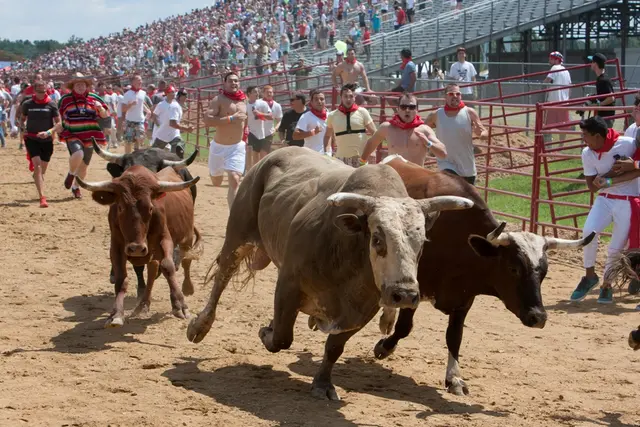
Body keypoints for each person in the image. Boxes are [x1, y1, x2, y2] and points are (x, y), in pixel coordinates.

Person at [568, 116, 638, 304]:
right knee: (588, 232)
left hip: (628, 200)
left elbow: (638, 167)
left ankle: (607, 284)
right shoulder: (587, 153)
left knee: (616, 246)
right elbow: (592, 186)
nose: (583, 140)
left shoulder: (628, 144)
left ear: (598, 136)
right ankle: (589, 275)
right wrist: (609, 176)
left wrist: (613, 177)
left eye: (585, 135)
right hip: (604, 199)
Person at [56, 72, 110, 199]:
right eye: (77, 84)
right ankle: (70, 173)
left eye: (83, 85)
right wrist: (57, 127)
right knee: (78, 154)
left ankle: (76, 187)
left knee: (84, 166)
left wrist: (100, 109)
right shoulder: (65, 99)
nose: (80, 87)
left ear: (87, 86)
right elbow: (59, 115)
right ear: (73, 86)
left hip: (90, 135)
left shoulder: (95, 98)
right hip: (72, 133)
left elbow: (105, 115)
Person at [360, 92, 447, 166]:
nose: (407, 110)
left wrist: (428, 143)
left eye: (411, 107)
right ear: (398, 109)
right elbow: (371, 143)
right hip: (395, 178)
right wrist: (362, 163)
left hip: (417, 178)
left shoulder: (424, 130)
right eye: (403, 107)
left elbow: (443, 153)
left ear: (417, 110)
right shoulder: (387, 127)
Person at [425, 83, 488, 185]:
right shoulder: (436, 114)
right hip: (446, 163)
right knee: (452, 191)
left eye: (457, 94)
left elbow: (483, 131)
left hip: (467, 166)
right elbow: (423, 128)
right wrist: (431, 144)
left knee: (468, 200)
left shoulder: (469, 112)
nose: (455, 96)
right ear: (445, 97)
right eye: (451, 94)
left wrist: (482, 134)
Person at [204, 72, 248, 208]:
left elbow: (244, 119)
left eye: (236, 81)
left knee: (235, 179)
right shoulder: (218, 100)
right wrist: (231, 118)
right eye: (230, 81)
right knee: (216, 181)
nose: (234, 83)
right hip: (219, 147)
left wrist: (245, 130)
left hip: (237, 147)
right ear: (224, 83)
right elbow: (208, 120)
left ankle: (233, 217)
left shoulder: (243, 100)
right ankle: (214, 173)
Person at [18, 80, 61, 208]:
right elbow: (22, 118)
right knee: (37, 166)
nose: (42, 93)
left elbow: (59, 124)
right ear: (34, 91)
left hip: (47, 140)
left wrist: (49, 132)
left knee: (42, 170)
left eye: (44, 90)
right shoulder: (27, 104)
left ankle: (37, 177)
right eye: (39, 90)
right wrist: (22, 126)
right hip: (32, 138)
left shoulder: (51, 104)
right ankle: (42, 197)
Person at [324, 83, 377, 167]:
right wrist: (327, 152)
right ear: (341, 97)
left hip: (361, 159)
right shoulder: (332, 115)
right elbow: (327, 135)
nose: (348, 99)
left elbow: (375, 133)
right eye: (345, 96)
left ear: (354, 97)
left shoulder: (362, 112)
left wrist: (372, 152)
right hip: (340, 160)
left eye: (351, 96)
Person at [151, 86, 194, 158]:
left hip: (173, 134)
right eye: (172, 92)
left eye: (174, 92)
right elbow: (171, 123)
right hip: (163, 133)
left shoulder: (175, 105)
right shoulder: (162, 105)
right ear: (167, 93)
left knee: (179, 145)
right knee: (153, 155)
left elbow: (174, 121)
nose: (174, 94)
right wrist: (157, 124)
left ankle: (174, 163)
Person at [578, 53, 616, 128]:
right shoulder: (601, 78)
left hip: (606, 116)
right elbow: (605, 95)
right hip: (603, 115)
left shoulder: (603, 80)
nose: (590, 64)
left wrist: (598, 105)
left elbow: (611, 98)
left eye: (591, 62)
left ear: (595, 63)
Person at [543, 51, 573, 144]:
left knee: (548, 124)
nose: (549, 60)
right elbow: (570, 86)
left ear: (557, 60)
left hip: (553, 101)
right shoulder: (566, 71)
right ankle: (561, 145)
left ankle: (549, 144)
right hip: (564, 102)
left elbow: (547, 80)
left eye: (551, 58)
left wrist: (543, 84)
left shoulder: (554, 68)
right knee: (563, 125)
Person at [293, 89, 329, 154]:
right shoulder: (306, 116)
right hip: (311, 155)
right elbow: (295, 136)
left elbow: (331, 134)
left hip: (327, 154)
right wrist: (312, 132)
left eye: (322, 99)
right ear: (311, 102)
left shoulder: (329, 115)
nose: (319, 101)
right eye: (316, 99)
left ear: (325, 101)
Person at [245, 86, 273, 170]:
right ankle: (252, 173)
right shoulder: (245, 105)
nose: (257, 93)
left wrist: (260, 114)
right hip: (251, 133)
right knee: (254, 154)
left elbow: (271, 116)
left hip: (263, 133)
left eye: (257, 91)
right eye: (254, 92)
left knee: (263, 156)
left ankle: (260, 173)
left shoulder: (263, 103)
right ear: (249, 94)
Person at [121, 75, 148, 153]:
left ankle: (136, 155)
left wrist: (147, 110)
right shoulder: (127, 94)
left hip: (140, 120)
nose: (141, 82)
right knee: (128, 141)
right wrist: (130, 104)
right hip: (129, 121)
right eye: (138, 80)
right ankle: (127, 158)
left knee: (140, 138)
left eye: (141, 80)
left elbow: (142, 103)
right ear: (133, 82)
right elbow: (123, 109)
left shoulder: (143, 93)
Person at [261, 85, 283, 149]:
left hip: (269, 133)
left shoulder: (277, 105)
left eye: (271, 92)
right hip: (257, 132)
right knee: (256, 152)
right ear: (263, 93)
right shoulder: (258, 103)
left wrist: (275, 129)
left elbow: (279, 120)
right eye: (267, 92)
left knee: (266, 151)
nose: (269, 94)